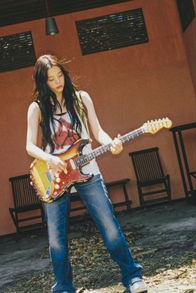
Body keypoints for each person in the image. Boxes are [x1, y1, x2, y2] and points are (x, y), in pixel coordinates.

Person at [26, 54, 148, 293]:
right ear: (43, 82)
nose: (58, 82)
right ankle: (63, 288)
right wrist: (50, 158)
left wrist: (112, 142)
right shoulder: (37, 108)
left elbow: (98, 130)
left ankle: (133, 277)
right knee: (56, 240)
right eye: (51, 79)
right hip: (56, 178)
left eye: (60, 76)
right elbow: (29, 146)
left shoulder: (81, 98)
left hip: (88, 172)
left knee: (109, 226)